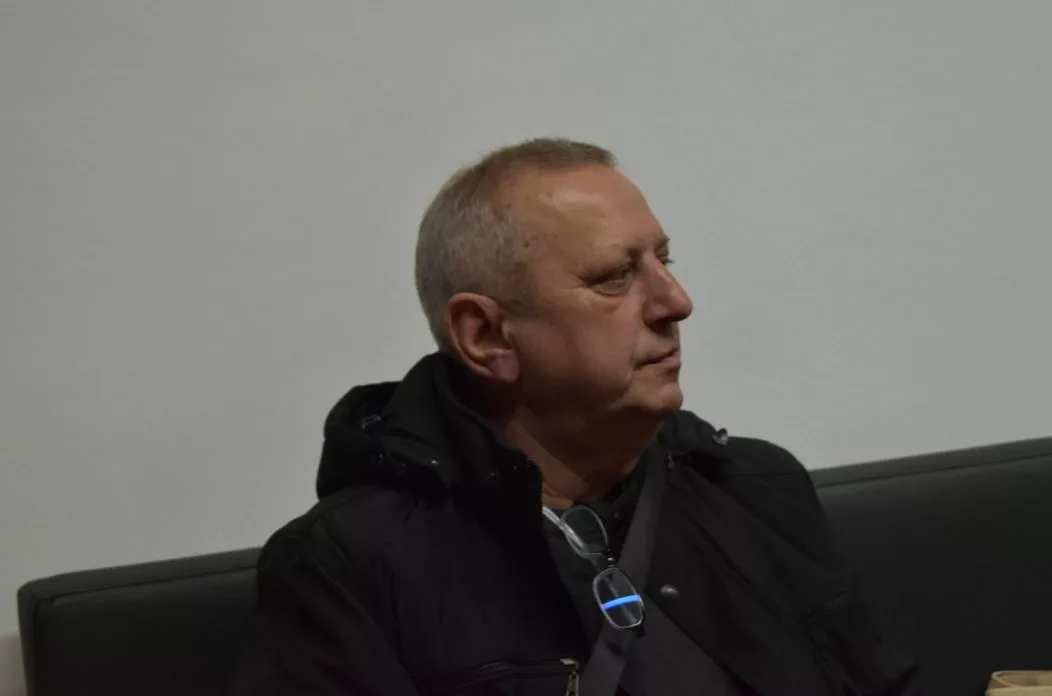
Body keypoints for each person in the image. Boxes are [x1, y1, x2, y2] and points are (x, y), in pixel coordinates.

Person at [232, 138, 920, 695]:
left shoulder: (755, 487)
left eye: (664, 260)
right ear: (487, 336)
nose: (676, 301)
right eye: (614, 277)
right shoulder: (350, 566)